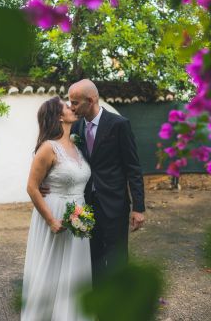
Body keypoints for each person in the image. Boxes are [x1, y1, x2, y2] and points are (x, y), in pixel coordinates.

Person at [21, 96, 93, 321]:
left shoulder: (76, 143)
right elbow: (32, 187)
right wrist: (51, 220)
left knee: (75, 271)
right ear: (59, 116)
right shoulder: (47, 148)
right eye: (66, 105)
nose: (72, 107)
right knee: (51, 269)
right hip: (55, 213)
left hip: (79, 212)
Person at [68, 79, 145, 285]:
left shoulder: (119, 125)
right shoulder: (75, 127)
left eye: (75, 102)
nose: (71, 107)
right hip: (84, 205)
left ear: (91, 100)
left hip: (114, 204)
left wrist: (138, 208)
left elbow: (133, 168)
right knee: (91, 257)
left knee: (117, 258)